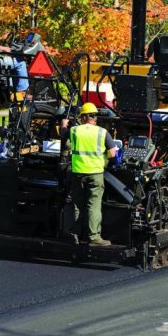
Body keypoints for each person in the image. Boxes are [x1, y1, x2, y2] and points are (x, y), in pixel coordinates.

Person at [63, 102, 118, 246]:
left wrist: (64, 125)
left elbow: (66, 144)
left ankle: (73, 236)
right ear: (95, 118)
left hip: (78, 173)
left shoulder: (74, 130)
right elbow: (112, 153)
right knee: (93, 205)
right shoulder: (102, 132)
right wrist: (104, 159)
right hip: (95, 174)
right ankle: (94, 238)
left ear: (82, 117)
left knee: (76, 205)